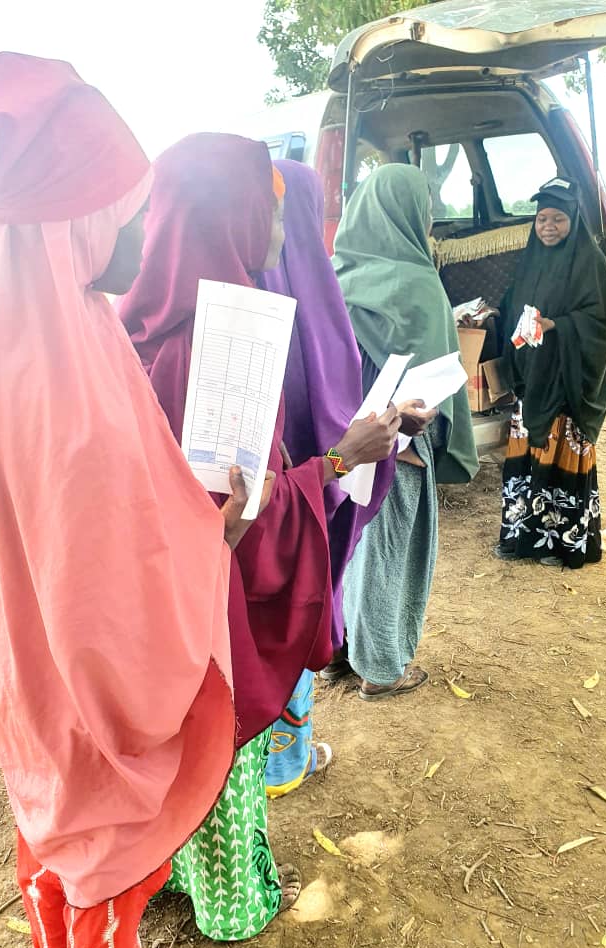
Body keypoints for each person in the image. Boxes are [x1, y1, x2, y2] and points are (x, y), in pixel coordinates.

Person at [0, 55, 248, 948]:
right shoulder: (68, 393)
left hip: (22, 684)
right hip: (86, 698)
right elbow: (114, 595)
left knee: (51, 840)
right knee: (98, 871)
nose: (143, 231)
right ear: (72, 219)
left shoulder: (8, 331)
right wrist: (217, 536)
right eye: (130, 208)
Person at [118, 133, 399, 939]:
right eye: (270, 211)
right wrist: (344, 459)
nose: (281, 232)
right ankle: (234, 903)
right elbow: (244, 523)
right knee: (219, 742)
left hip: (147, 603)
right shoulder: (223, 345)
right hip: (210, 608)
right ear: (230, 216)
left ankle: (166, 873)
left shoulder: (135, 326)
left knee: (171, 742)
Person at [260, 160, 397, 796]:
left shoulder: (226, 295)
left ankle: (264, 765)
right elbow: (337, 419)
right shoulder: (312, 297)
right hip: (303, 500)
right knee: (292, 608)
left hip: (275, 506)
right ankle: (284, 762)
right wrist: (354, 454)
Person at [332, 164, 479, 700]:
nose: (431, 222)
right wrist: (423, 442)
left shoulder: (333, 277)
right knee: (389, 552)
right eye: (427, 210)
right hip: (400, 443)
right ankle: (381, 668)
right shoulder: (418, 285)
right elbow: (437, 382)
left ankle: (339, 651)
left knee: (346, 545)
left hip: (343, 442)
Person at [494, 176, 606, 569]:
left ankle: (563, 542)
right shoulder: (532, 259)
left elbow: (600, 322)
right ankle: (521, 535)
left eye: (558, 219)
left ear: (573, 220)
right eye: (542, 219)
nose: (548, 227)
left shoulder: (590, 263)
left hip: (566, 380)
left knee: (560, 449)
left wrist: (558, 326)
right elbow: (515, 303)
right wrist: (495, 314)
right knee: (527, 453)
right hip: (533, 378)